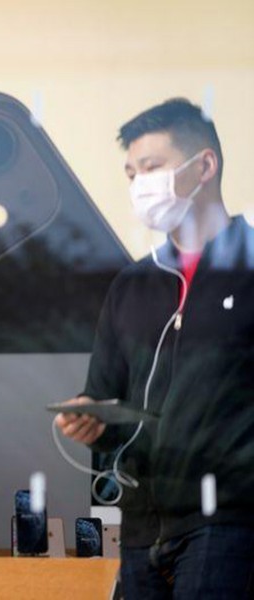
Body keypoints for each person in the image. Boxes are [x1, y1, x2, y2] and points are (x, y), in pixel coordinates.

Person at [55, 98, 254, 598]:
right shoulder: (131, 284)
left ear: (204, 166)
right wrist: (89, 420)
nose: (140, 184)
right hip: (142, 530)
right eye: (131, 173)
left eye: (152, 167)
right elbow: (104, 396)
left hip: (229, 525)